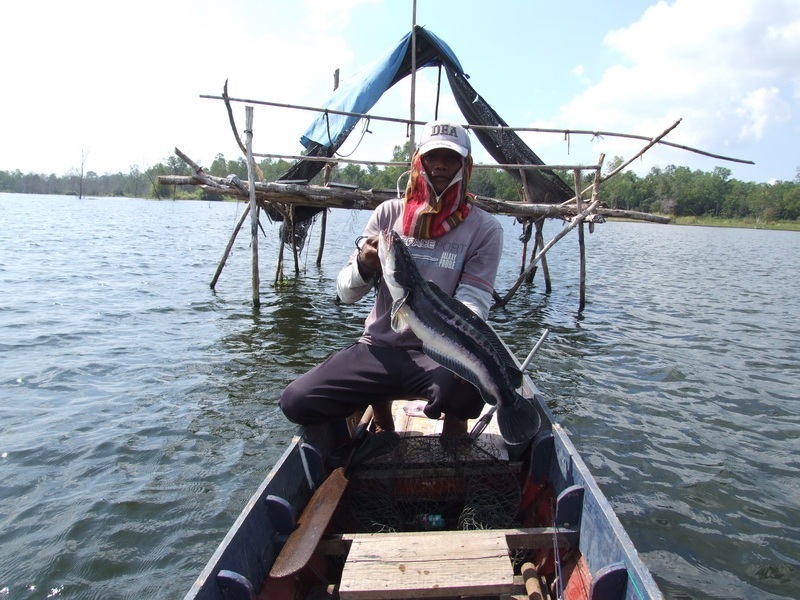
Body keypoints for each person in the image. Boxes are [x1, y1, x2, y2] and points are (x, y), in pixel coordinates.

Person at [279, 120, 504, 440]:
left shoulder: (485, 229)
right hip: (378, 346)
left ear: (466, 165)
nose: (440, 164)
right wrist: (363, 265)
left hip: (435, 352)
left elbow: (474, 302)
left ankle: (455, 429)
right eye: (432, 156)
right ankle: (381, 423)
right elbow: (345, 292)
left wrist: (466, 354)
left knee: (470, 388)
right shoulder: (388, 215)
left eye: (451, 158)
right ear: (419, 160)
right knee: (297, 402)